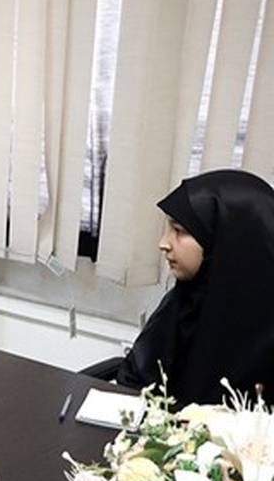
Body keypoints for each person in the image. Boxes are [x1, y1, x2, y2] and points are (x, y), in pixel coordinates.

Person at [117, 170, 274, 405]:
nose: (163, 243)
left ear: (224, 238)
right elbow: (134, 380)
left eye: (179, 231)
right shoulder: (186, 299)